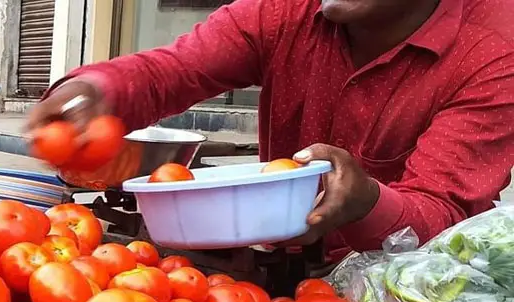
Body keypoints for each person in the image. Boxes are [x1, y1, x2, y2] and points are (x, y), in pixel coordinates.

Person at [29, 0, 514, 255]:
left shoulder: (493, 52)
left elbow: (446, 217)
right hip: (269, 287)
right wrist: (95, 92)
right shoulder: (282, 12)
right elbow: (171, 71)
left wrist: (365, 200)